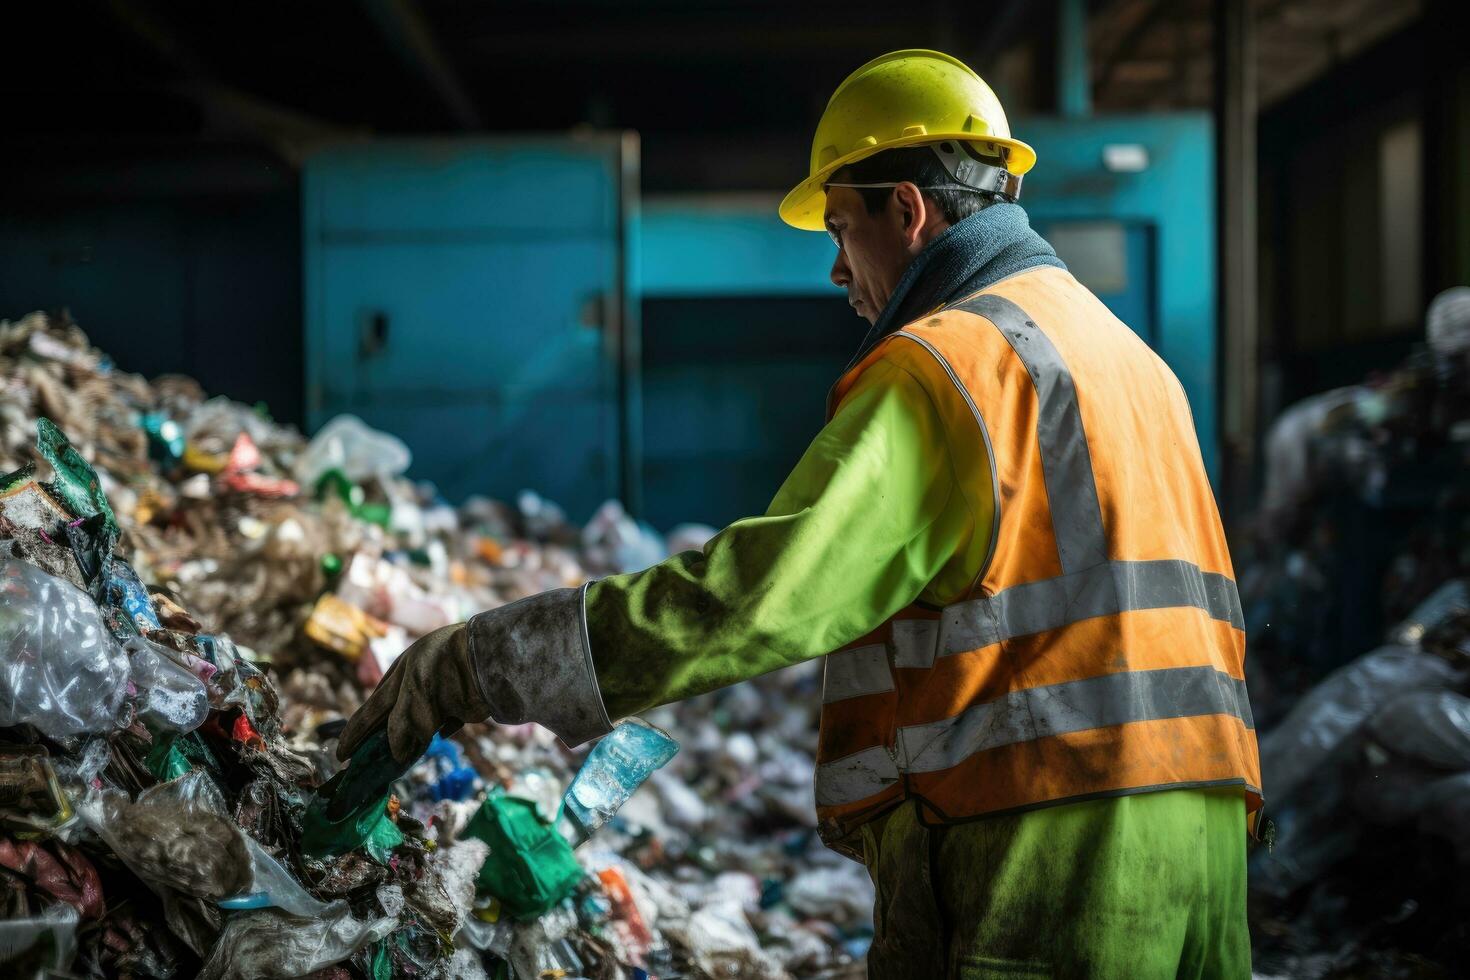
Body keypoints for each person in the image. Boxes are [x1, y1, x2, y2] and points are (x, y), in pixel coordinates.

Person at [340, 49, 1262, 978]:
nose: (834, 269)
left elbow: (756, 597)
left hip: (1050, 839)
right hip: (1209, 829)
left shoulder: (946, 367)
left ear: (907, 210)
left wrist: (485, 661)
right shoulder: (1131, 359)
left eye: (840, 227)